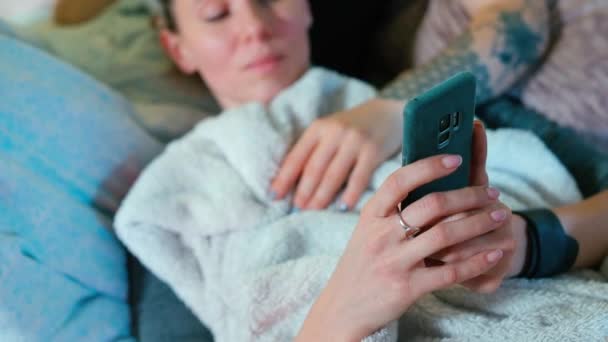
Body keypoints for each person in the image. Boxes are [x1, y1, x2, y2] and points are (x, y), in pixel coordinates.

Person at [111, 0, 608, 340]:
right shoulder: (184, 191)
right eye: (216, 13)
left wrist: (525, 241)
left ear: (305, 6)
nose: (254, 27)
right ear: (178, 48)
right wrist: (345, 309)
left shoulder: (437, 114)